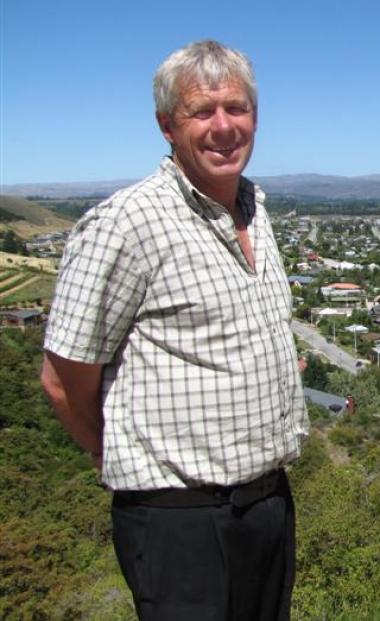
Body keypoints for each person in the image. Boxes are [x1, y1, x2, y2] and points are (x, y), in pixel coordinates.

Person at [40, 40, 309, 621]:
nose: (223, 126)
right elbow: (63, 379)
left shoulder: (253, 209)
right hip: (177, 519)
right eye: (201, 112)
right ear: (167, 125)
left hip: (267, 501)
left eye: (236, 108)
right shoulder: (126, 223)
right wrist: (105, 452)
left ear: (255, 117)